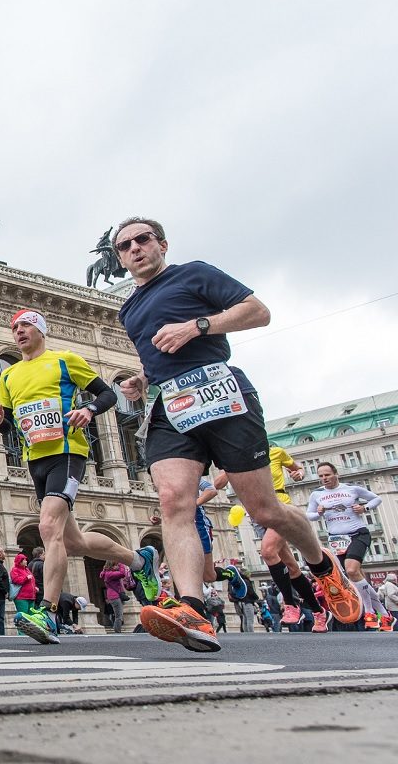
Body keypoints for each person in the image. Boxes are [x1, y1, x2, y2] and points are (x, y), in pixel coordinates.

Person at [113, 216, 361, 652]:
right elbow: (157, 359)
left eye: (142, 239)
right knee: (174, 501)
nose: (134, 248)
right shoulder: (128, 309)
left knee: (265, 511)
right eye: (124, 246)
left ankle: (324, 568)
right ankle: (192, 607)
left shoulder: (195, 274)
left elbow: (258, 312)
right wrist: (141, 380)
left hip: (223, 393)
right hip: (172, 405)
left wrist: (198, 326)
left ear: (162, 244)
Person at [0, 308, 161, 645]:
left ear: (40, 330)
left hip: (68, 455)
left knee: (47, 527)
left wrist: (88, 409)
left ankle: (48, 613)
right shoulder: (8, 377)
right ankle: (140, 560)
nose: (18, 331)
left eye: (25, 325)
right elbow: (11, 426)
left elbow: (107, 393)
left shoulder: (64, 360)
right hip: (34, 460)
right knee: (73, 542)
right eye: (14, 328)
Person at [220, 447, 323, 629]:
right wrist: (231, 462)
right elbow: (218, 484)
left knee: (268, 551)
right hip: (257, 513)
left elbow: (297, 468)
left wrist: (299, 473)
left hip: (279, 506)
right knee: (291, 567)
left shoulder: (275, 452)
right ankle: (318, 611)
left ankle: (291, 606)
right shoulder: (237, 455)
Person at [305, 462, 390, 630]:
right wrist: (319, 513)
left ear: (336, 474)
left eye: (327, 475)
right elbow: (310, 515)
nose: (324, 479)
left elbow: (376, 499)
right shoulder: (316, 495)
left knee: (351, 571)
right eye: (321, 476)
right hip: (336, 540)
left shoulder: (351, 489)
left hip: (358, 534)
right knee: (354, 577)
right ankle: (386, 616)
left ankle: (370, 612)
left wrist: (364, 508)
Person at [194, 477, 249, 601]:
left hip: (199, 526)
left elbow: (211, 490)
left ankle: (231, 574)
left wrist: (193, 504)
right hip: (180, 528)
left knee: (208, 576)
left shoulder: (191, 473)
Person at [101, 560, 131, 633]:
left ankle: (117, 630)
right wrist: (121, 564)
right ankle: (117, 631)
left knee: (118, 615)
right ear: (111, 566)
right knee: (118, 616)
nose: (117, 566)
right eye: (116, 565)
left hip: (115, 595)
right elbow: (122, 573)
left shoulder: (108, 573)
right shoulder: (110, 574)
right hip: (115, 596)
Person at [9, 553, 37, 628]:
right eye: (24, 560)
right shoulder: (15, 570)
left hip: (31, 597)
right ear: (20, 561)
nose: (26, 561)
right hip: (21, 598)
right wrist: (26, 578)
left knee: (31, 618)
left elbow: (32, 581)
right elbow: (16, 580)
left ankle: (30, 633)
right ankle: (22, 634)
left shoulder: (27, 570)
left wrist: (35, 588)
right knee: (23, 617)